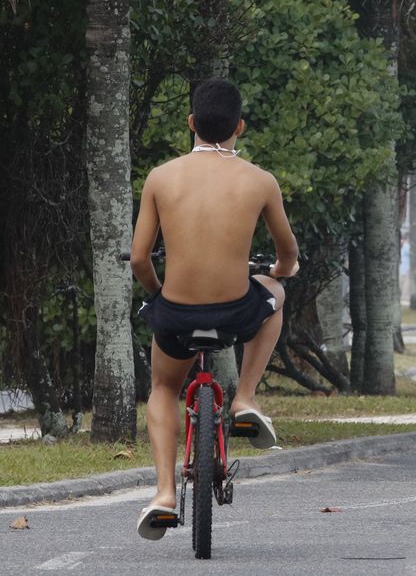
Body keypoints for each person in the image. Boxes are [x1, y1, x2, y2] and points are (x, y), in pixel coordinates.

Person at [129, 79, 299, 539]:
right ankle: (245, 397)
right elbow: (287, 253)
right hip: (236, 312)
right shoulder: (260, 180)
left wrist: (158, 292)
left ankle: (164, 494)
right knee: (275, 294)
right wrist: (283, 269)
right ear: (239, 127)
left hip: (178, 315)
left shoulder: (161, 177)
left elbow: (141, 258)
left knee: (163, 388)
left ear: (191, 124)